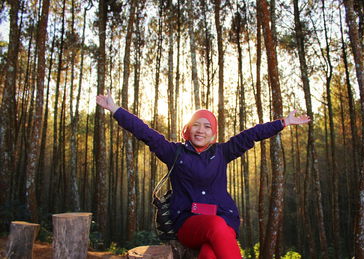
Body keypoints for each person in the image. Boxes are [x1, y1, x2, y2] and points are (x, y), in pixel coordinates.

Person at [96, 91, 310, 259]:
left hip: (224, 218)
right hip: (189, 222)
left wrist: (283, 122)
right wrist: (115, 109)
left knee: (209, 254)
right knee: (216, 226)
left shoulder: (222, 152)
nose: (201, 130)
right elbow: (145, 132)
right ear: (187, 130)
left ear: (214, 133)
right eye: (195, 125)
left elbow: (251, 135)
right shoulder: (174, 152)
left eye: (207, 126)